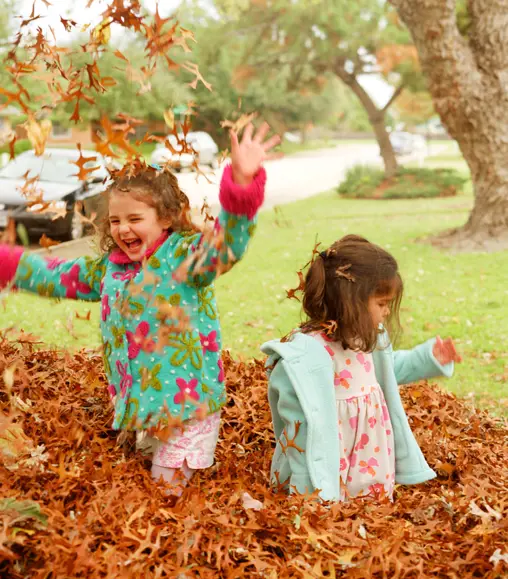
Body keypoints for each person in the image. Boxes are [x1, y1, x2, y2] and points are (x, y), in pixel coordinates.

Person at [0, 122, 280, 494]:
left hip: (186, 409)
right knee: (140, 491)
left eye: (135, 219)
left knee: (165, 495)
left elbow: (226, 247)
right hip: (139, 407)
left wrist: (241, 187)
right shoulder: (109, 269)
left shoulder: (184, 258)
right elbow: (56, 274)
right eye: (115, 220)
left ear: (165, 218)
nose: (123, 229)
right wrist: (7, 263)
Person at [261, 235, 461, 502]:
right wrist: (304, 493)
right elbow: (297, 430)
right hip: (328, 462)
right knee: (330, 515)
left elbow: (389, 371)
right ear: (349, 302)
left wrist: (428, 358)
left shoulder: (369, 338)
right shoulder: (306, 355)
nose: (387, 312)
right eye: (381, 304)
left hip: (369, 456)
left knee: (367, 517)